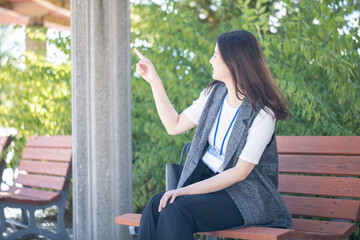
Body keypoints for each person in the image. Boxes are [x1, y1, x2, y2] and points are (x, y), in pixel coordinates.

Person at [134, 30, 292, 240]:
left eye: (216, 55)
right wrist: (154, 80)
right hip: (211, 181)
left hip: (245, 195)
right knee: (157, 204)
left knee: (176, 208)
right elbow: (174, 125)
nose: (211, 60)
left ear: (233, 61)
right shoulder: (213, 94)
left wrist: (185, 191)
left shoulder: (263, 113)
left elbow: (240, 173)